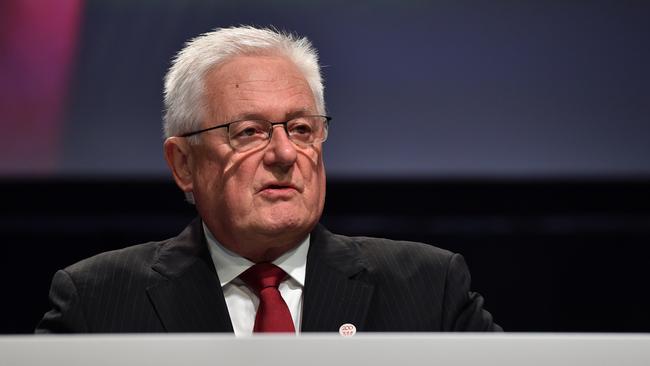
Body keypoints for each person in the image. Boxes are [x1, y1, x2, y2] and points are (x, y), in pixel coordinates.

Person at [36, 26, 501, 334]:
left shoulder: (428, 288)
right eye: (249, 132)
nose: (283, 154)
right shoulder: (96, 302)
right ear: (183, 165)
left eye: (302, 129)